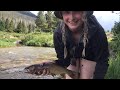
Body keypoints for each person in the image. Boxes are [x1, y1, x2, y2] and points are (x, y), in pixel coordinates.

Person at [53, 11, 109, 79]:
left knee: (86, 74)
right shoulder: (58, 34)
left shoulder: (97, 31)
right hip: (71, 59)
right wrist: (51, 65)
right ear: (61, 14)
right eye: (67, 12)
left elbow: (102, 61)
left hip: (90, 59)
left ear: (84, 13)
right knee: (70, 73)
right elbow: (63, 61)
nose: (72, 17)